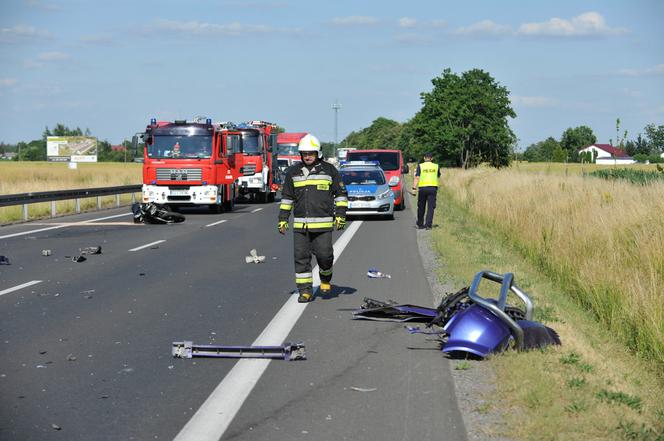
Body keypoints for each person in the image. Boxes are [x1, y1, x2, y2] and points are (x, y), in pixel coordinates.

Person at [277, 134, 348, 303]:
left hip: (323, 225)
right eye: (304, 153)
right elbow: (287, 198)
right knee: (301, 258)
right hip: (301, 226)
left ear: (318, 153)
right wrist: (283, 219)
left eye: (311, 153)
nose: (307, 156)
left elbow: (341, 195)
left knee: (325, 256)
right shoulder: (293, 172)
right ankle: (305, 291)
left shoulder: (329, 170)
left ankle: (325, 278)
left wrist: (340, 216)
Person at [412, 152, 440, 230]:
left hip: (422, 189)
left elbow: (417, 177)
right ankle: (428, 225)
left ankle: (420, 224)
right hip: (432, 188)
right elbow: (438, 175)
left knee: (421, 207)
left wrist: (414, 188)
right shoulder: (436, 166)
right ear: (432, 158)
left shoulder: (420, 166)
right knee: (431, 207)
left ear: (424, 158)